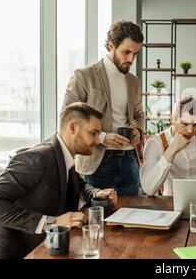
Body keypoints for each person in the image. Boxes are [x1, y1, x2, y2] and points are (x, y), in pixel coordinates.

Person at [0, 102, 118, 259]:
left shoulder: (64, 155)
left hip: (42, 248)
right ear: (72, 128)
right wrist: (51, 222)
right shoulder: (37, 157)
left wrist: (97, 193)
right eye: (93, 133)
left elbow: (80, 184)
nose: (97, 141)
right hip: (10, 250)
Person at [61, 19, 145, 195]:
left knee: (130, 217)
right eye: (126, 52)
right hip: (96, 162)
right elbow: (67, 117)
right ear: (111, 46)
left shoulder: (134, 81)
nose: (131, 59)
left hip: (129, 161)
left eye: (135, 54)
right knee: (97, 217)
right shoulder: (84, 76)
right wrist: (102, 137)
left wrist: (138, 130)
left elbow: (138, 114)